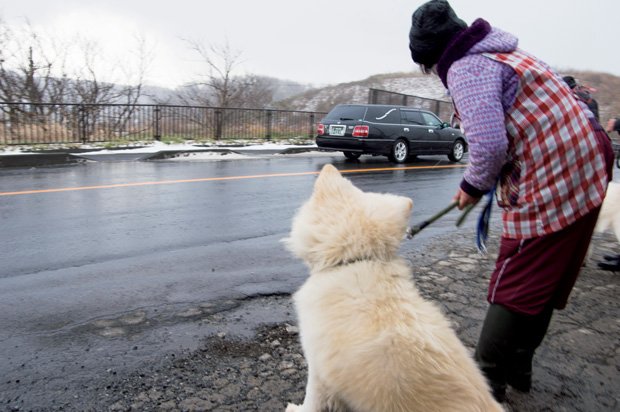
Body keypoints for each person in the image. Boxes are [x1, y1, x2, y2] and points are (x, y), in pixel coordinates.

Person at [408, 0, 614, 403]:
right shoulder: (505, 52)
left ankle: (483, 384)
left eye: (430, 68)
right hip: (589, 159)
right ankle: (518, 366)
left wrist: (471, 186)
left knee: (516, 277)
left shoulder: (467, 68)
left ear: (435, 55)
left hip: (556, 173)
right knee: (547, 276)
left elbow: (487, 147)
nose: (434, 75)